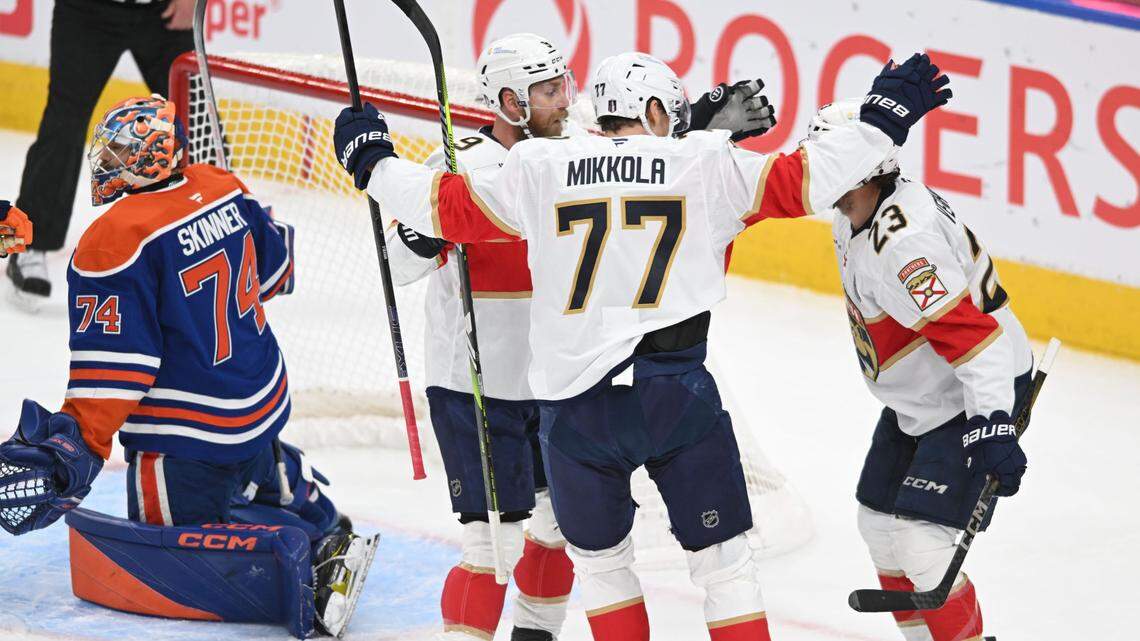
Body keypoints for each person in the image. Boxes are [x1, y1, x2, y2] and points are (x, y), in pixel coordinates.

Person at [336, 49, 949, 639]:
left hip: (576, 417)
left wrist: (374, 163)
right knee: (726, 569)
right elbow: (804, 178)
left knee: (604, 574)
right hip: (672, 398)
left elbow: (442, 209)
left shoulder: (536, 167)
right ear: (655, 111)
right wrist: (881, 122)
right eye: (674, 115)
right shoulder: (705, 162)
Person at [385, 33, 776, 641]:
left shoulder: (566, 155)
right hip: (477, 383)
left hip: (560, 379)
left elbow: (639, 176)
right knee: (492, 541)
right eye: (546, 91)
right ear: (509, 100)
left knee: (554, 529)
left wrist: (692, 125)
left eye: (563, 85)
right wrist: (433, 231)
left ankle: (533, 634)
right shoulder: (457, 162)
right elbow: (398, 263)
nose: (563, 101)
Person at [0, 96, 375, 638]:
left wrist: (75, 443)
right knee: (250, 458)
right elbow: (276, 270)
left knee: (169, 540)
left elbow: (116, 369)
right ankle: (308, 501)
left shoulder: (112, 242)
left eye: (115, 152)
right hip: (258, 394)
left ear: (143, 157)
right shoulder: (223, 184)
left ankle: (305, 551)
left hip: (182, 430)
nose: (104, 162)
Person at [813, 99, 1033, 641]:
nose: (815, 166)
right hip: (924, 397)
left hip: (972, 390)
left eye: (827, 154)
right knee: (879, 526)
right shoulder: (855, 212)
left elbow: (976, 341)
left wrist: (994, 424)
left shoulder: (906, 247)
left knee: (921, 543)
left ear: (862, 167)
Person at [6, 0, 195, 304]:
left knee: (193, 116)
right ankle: (31, 244)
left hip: (163, 10)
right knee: (64, 122)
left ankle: (222, 224)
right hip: (87, 10)